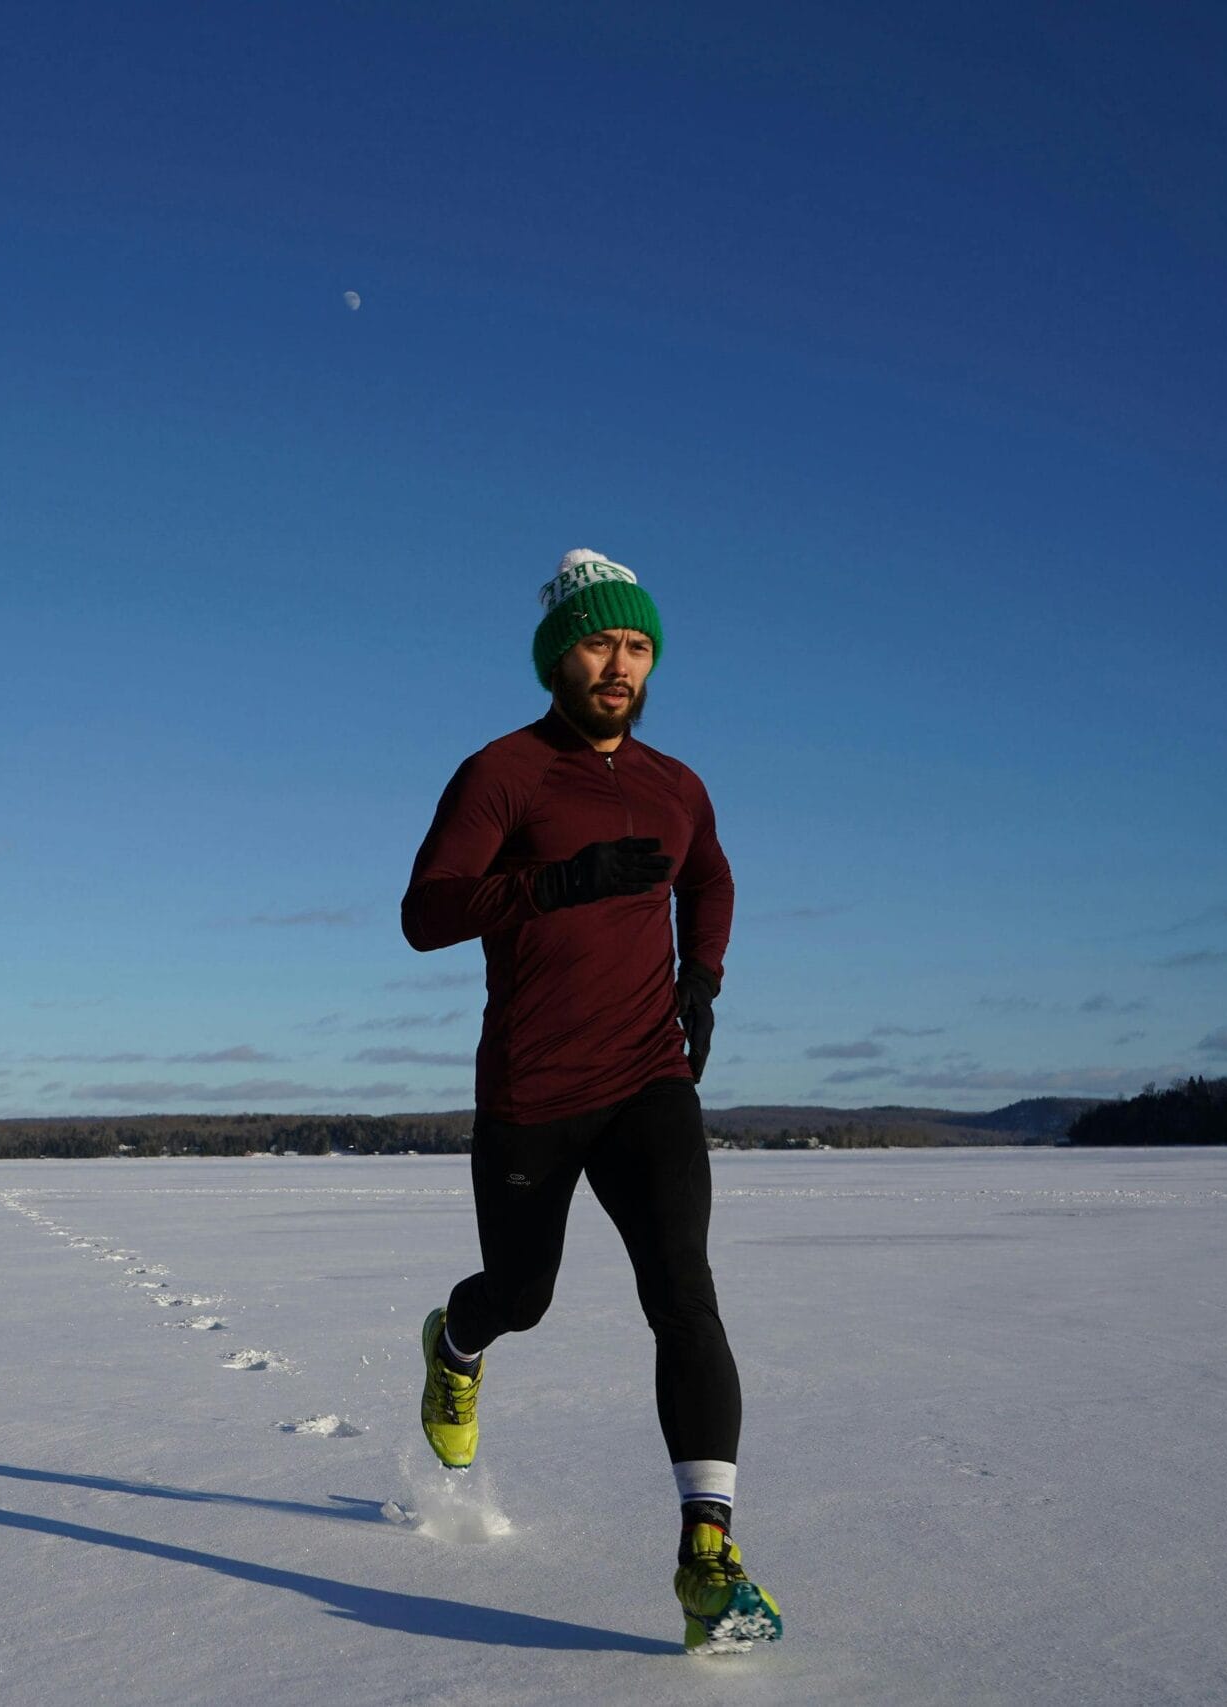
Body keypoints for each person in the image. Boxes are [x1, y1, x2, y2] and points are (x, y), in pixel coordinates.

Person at [398, 548, 781, 1654]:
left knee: (685, 1297)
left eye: (639, 646)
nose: (621, 665)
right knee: (522, 1294)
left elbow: (707, 872)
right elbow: (426, 911)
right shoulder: (502, 774)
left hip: (647, 1078)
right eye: (602, 643)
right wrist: (550, 885)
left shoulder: (675, 785)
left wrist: (700, 978)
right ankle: (457, 1346)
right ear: (557, 656)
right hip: (532, 1089)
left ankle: (707, 1552)